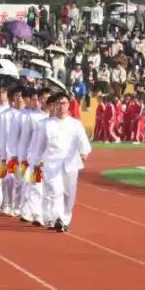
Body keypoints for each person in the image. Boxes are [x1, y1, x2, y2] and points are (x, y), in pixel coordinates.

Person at [33, 92, 92, 232]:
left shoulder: (75, 124)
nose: (61, 106)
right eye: (58, 103)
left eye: (63, 103)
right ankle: (57, 218)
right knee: (55, 192)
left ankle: (65, 219)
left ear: (68, 105)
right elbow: (38, 146)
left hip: (70, 164)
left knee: (69, 194)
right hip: (52, 165)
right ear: (55, 105)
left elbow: (83, 141)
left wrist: (84, 152)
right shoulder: (46, 125)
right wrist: (36, 162)